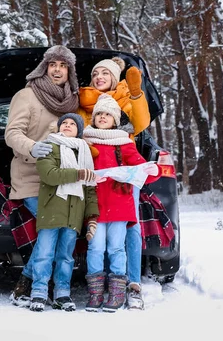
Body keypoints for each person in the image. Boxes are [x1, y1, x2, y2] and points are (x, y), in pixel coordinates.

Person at [5, 45, 80, 307]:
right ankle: (38, 286)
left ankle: (31, 282)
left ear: (69, 71)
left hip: (64, 178)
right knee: (55, 227)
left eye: (63, 65)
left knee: (59, 229)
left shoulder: (72, 99)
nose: (58, 70)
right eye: (53, 64)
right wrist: (32, 147)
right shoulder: (27, 96)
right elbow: (12, 133)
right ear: (44, 67)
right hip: (31, 175)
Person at [78, 56, 150, 310]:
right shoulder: (81, 104)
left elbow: (141, 123)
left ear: (114, 77)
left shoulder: (124, 101)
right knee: (96, 245)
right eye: (95, 73)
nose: (100, 77)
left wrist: (136, 94)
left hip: (119, 187)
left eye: (105, 73)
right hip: (95, 192)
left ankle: (129, 285)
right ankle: (97, 290)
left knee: (127, 233)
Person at [27, 113, 101, 312]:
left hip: (74, 213)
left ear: (79, 130)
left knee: (66, 257)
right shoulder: (49, 147)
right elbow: (49, 175)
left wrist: (92, 217)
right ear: (59, 127)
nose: (67, 125)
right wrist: (78, 174)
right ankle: (39, 292)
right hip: (51, 210)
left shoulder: (84, 153)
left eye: (72, 124)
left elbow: (90, 188)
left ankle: (62, 294)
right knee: (44, 254)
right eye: (64, 123)